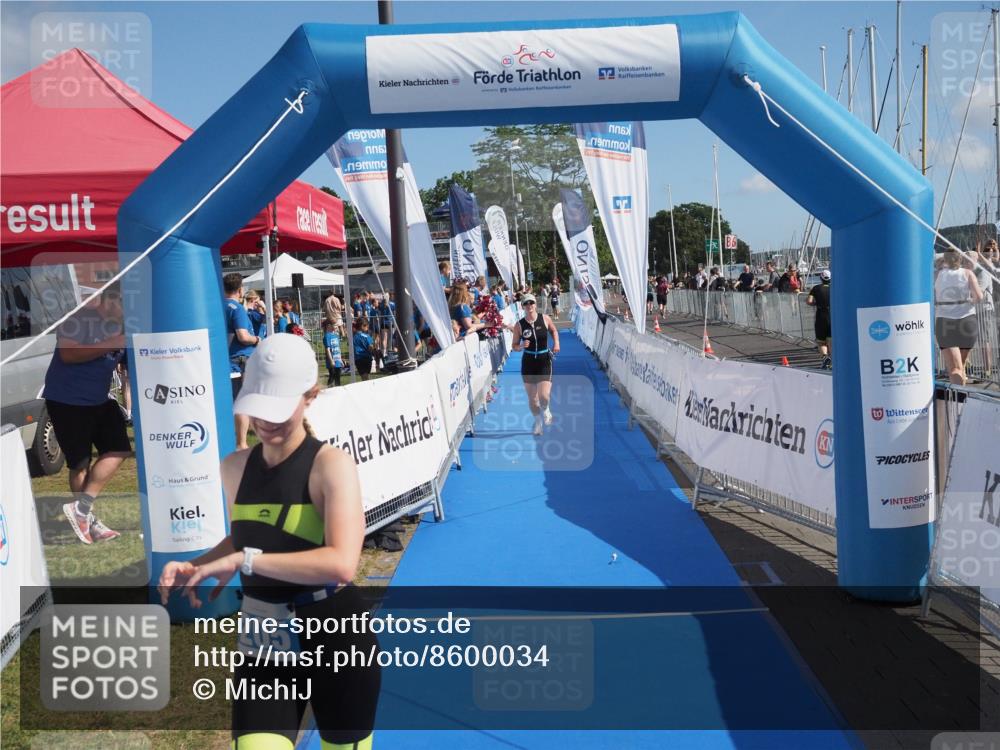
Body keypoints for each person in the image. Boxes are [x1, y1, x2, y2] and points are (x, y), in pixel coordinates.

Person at [157, 334, 380, 749]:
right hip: (264, 637)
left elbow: (341, 564)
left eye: (279, 408)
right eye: (259, 407)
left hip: (335, 634)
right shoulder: (234, 467)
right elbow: (246, 536)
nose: (267, 421)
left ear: (311, 396)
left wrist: (245, 561)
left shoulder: (331, 465)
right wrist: (201, 563)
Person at [45, 284, 130, 544]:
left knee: (119, 449)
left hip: (98, 400)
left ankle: (81, 510)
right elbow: (68, 354)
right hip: (67, 400)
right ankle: (88, 521)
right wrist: (112, 344)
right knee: (80, 464)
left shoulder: (124, 327)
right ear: (110, 301)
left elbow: (129, 364)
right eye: (124, 304)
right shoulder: (80, 319)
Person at [505, 293, 561, 436]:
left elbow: (554, 330)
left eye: (531, 303)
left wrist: (556, 343)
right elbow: (514, 346)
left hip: (544, 360)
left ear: (535, 304)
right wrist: (522, 345)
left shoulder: (545, 318)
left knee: (544, 396)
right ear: (523, 306)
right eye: (526, 303)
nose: (529, 306)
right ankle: (538, 423)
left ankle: (547, 409)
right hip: (528, 362)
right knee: (533, 399)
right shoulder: (519, 325)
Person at [935, 249, 983, 385]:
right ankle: (962, 398)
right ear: (960, 259)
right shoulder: (968, 273)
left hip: (945, 322)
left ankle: (957, 400)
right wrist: (968, 301)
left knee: (955, 368)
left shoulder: (937, 274)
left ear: (945, 259)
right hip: (967, 321)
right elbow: (978, 297)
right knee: (960, 366)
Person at [224, 273, 261, 451]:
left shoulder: (218, 306)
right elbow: (243, 336)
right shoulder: (236, 308)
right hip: (239, 360)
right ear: (240, 290)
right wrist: (257, 340)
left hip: (227, 359)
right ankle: (241, 442)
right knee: (242, 402)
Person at [807, 269, 833, 368]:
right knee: (831, 340)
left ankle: (825, 357)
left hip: (821, 315)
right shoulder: (834, 288)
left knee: (821, 341)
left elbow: (809, 301)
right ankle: (832, 363)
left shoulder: (816, 288)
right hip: (832, 315)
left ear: (821, 278)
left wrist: (816, 303)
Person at [323, 319, 344, 387]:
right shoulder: (327, 336)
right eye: (335, 325)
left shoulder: (336, 336)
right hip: (331, 361)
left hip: (338, 360)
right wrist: (331, 361)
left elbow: (338, 348)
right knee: (332, 376)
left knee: (338, 376)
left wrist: (341, 359)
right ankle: (329, 390)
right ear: (329, 326)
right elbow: (328, 349)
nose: (337, 326)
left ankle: (338, 390)